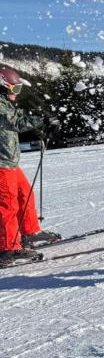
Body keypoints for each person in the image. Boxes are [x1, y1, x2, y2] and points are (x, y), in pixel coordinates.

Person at [0, 65, 60, 267]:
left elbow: (16, 119)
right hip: (1, 165)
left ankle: (28, 232)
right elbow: (15, 122)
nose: (16, 94)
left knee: (25, 194)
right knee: (7, 206)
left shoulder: (5, 104)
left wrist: (41, 119)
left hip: (9, 162)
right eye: (14, 89)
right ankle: (8, 249)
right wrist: (40, 119)